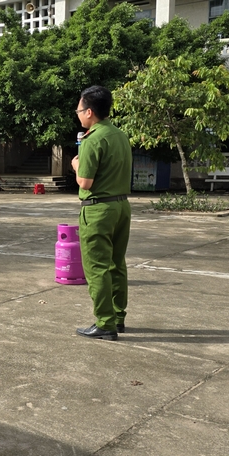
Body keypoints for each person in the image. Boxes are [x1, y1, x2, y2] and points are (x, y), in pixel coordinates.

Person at [71, 85, 132, 341]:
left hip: (98, 210)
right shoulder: (119, 135)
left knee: (96, 267)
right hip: (121, 206)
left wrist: (75, 164)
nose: (77, 114)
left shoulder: (92, 139)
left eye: (78, 109)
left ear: (89, 112)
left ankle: (105, 322)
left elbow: (85, 182)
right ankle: (118, 317)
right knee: (117, 264)